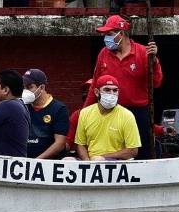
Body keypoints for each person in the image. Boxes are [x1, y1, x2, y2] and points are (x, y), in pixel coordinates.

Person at [84, 14, 163, 159]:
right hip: (111, 110)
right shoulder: (104, 54)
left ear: (121, 34)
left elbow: (156, 82)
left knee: (143, 151)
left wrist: (154, 62)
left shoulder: (142, 52)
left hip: (138, 112)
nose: (105, 38)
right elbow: (95, 84)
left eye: (109, 34)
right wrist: (85, 112)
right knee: (114, 150)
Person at [74, 74, 140, 161]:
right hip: (90, 161)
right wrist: (87, 161)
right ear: (97, 92)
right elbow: (80, 144)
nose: (112, 94)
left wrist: (103, 157)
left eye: (115, 90)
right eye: (107, 90)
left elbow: (133, 150)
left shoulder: (127, 115)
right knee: (67, 160)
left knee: (98, 160)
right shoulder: (85, 113)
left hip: (115, 162)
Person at [21, 68, 71, 160]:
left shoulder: (59, 109)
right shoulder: (22, 106)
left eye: (29, 87)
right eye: (24, 87)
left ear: (42, 87)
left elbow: (60, 143)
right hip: (24, 161)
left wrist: (37, 161)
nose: (25, 91)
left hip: (50, 162)